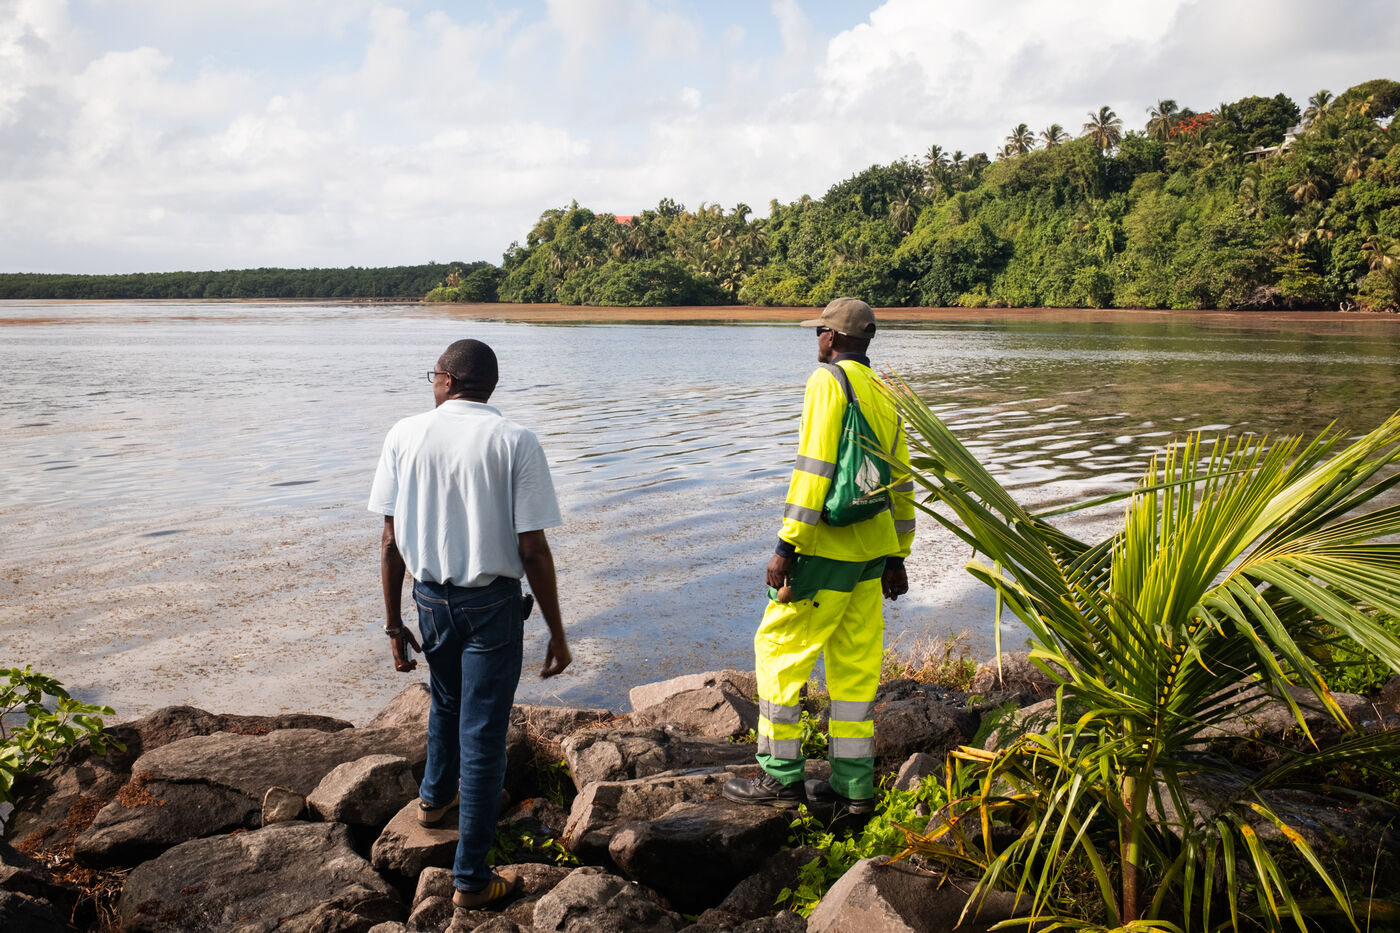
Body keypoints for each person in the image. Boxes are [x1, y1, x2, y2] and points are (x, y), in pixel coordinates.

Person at [369, 338, 571, 910]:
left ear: (448, 380)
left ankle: (435, 802)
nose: (432, 383)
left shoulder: (404, 434)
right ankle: (471, 879)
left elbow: (390, 543)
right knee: (483, 737)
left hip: (430, 601)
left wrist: (393, 625)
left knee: (447, 700)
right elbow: (532, 549)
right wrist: (557, 630)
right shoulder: (515, 440)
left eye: (432, 375)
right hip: (492, 607)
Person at [722, 297, 914, 814]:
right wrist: (897, 555)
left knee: (778, 651)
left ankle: (780, 777)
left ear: (832, 337)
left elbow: (814, 467)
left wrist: (787, 545)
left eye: (819, 332)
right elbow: (901, 478)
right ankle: (854, 789)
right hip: (872, 552)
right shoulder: (885, 390)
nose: (817, 340)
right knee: (854, 667)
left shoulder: (828, 381)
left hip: (827, 549)